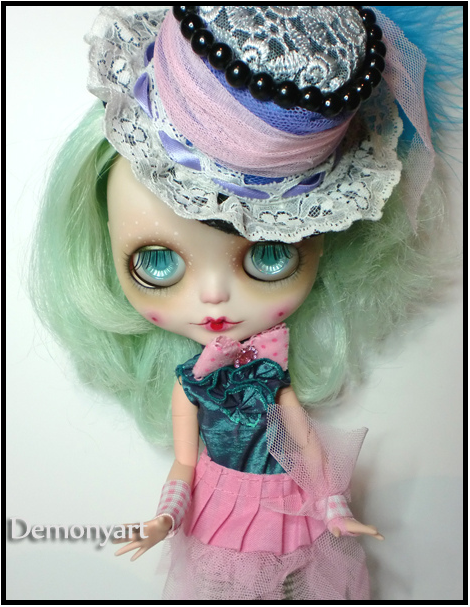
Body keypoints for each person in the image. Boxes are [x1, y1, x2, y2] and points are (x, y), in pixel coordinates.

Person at [29, 5, 462, 601]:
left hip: (287, 509)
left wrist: (335, 511)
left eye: (269, 257)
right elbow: (185, 465)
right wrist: (165, 517)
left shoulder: (269, 374)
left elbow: (307, 450)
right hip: (221, 511)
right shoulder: (194, 384)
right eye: (158, 263)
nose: (213, 298)